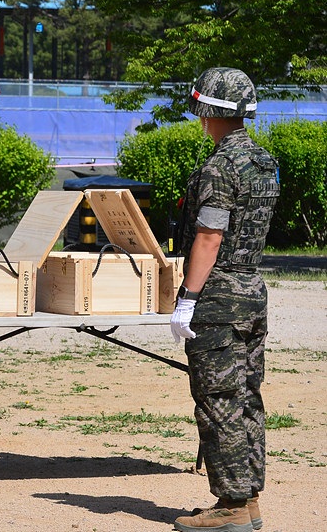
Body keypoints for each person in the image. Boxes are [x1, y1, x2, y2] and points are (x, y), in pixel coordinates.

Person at [170, 67, 279, 532]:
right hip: (252, 290)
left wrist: (187, 299)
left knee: (218, 398)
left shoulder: (220, 165)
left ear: (208, 112)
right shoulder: (264, 161)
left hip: (219, 298)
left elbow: (209, 237)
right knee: (246, 395)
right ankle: (248, 497)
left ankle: (231, 504)